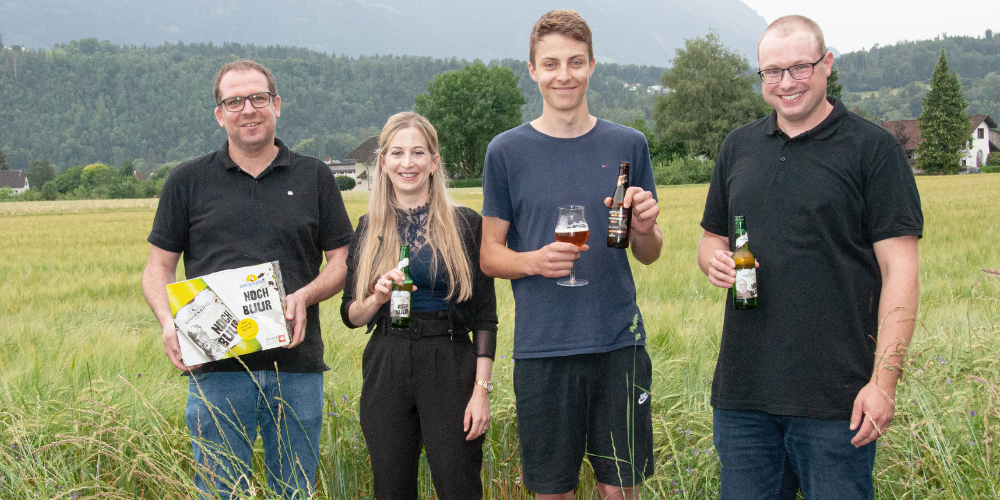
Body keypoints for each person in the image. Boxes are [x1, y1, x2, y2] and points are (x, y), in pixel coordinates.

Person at [697, 15, 923, 499]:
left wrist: (883, 384)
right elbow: (710, 238)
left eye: (799, 67)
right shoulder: (737, 147)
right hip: (743, 400)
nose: (786, 83)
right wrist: (713, 259)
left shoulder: (873, 150)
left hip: (838, 402)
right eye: (772, 72)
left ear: (826, 65)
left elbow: (901, 272)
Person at [141, 59, 354, 499]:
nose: (248, 109)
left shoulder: (314, 176)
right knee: (219, 492)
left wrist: (305, 295)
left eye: (258, 98)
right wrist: (168, 322)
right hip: (215, 371)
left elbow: (342, 261)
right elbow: (157, 267)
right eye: (234, 101)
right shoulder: (187, 180)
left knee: (292, 492)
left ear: (276, 105)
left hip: (296, 368)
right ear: (220, 114)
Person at [480, 10, 662, 500]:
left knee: (619, 490)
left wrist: (645, 228)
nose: (564, 75)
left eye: (575, 62)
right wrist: (533, 261)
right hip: (544, 350)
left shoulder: (629, 144)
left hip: (619, 343)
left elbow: (647, 252)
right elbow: (489, 256)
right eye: (552, 63)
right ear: (533, 70)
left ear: (592, 66)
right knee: (551, 492)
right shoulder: (506, 152)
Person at [340, 112, 498, 499]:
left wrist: (480, 391)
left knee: (458, 485)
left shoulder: (465, 224)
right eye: (396, 153)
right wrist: (376, 296)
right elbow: (349, 314)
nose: (407, 163)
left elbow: (485, 317)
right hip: (387, 360)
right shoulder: (368, 226)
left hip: (449, 359)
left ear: (434, 162)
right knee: (391, 489)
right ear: (383, 162)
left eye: (417, 153)